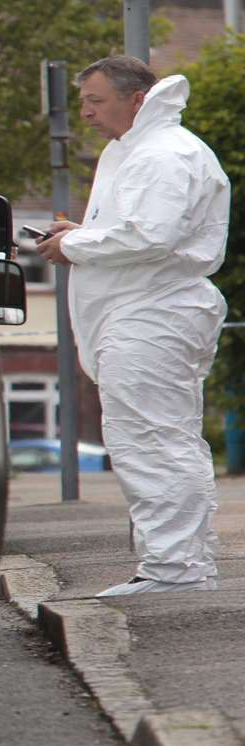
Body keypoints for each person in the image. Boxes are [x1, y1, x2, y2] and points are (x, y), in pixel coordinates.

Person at [37, 56, 229, 596]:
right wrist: (85, 232)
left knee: (153, 441)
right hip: (148, 311)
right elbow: (142, 231)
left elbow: (151, 235)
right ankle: (181, 565)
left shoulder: (163, 155)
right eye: (83, 103)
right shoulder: (139, 152)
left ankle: (175, 572)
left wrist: (74, 243)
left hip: (154, 313)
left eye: (96, 101)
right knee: (161, 438)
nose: (87, 113)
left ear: (137, 99)